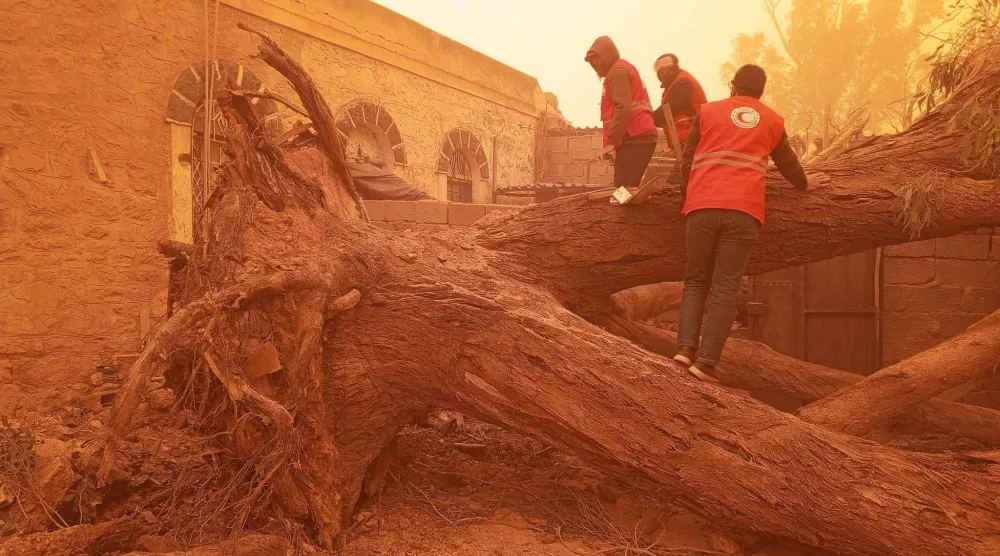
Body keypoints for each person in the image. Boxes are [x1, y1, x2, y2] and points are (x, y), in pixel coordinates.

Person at [673, 64, 829, 381]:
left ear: (733, 85)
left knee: (696, 281)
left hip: (702, 206)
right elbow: (787, 162)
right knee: (725, 287)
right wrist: (804, 183)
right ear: (761, 91)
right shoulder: (771, 120)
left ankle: (684, 350)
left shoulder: (708, 112)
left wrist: (685, 195)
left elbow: (687, 159)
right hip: (744, 211)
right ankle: (705, 364)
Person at [584, 36, 658, 188]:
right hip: (636, 136)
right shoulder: (622, 69)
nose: (596, 64)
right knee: (627, 189)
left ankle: (629, 212)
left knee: (623, 190)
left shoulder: (617, 72)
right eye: (593, 61)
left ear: (608, 54)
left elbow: (623, 108)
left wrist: (611, 142)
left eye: (598, 58)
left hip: (635, 136)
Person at [651, 53, 707, 148]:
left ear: (676, 67)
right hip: (688, 139)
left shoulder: (683, 83)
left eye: (668, 69)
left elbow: (669, 110)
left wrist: (645, 120)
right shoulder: (673, 86)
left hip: (692, 138)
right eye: (660, 72)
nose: (664, 74)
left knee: (687, 163)